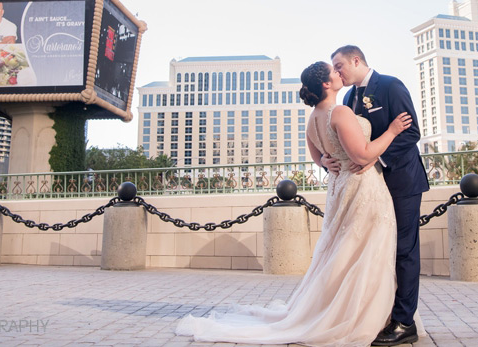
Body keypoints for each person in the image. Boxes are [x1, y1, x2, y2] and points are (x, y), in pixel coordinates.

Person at [177, 59, 412, 347]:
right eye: (334, 71)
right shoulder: (339, 111)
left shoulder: (313, 118)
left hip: (339, 189)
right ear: (326, 83)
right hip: (362, 188)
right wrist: (392, 131)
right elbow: (362, 156)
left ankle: (351, 311)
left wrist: (327, 160)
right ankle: (359, 317)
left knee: (345, 252)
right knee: (364, 253)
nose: (339, 74)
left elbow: (318, 156)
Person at [329, 45, 430, 347]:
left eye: (339, 66)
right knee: (375, 250)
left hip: (402, 180)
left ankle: (404, 322)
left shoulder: (390, 85)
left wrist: (377, 159)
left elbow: (411, 133)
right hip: (369, 188)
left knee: (404, 251)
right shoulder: (348, 98)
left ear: (356, 60)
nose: (336, 73)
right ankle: (378, 316)